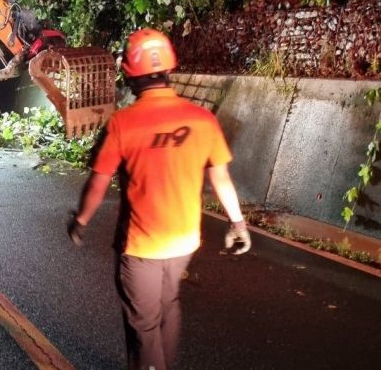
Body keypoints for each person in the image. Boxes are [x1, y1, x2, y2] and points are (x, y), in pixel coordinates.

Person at [68, 28, 251, 370]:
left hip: (141, 248)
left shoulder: (123, 123)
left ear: (130, 74)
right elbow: (221, 177)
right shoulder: (202, 119)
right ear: (169, 69)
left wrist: (80, 221)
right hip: (183, 243)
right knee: (168, 306)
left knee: (144, 326)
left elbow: (98, 183)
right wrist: (238, 224)